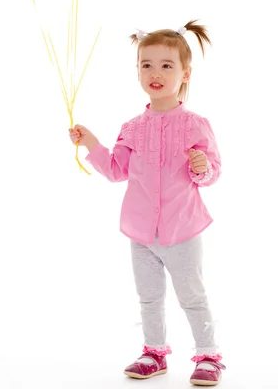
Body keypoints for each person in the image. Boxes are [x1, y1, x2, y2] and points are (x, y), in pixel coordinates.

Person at [69, 20, 225, 386]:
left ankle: (208, 355)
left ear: (185, 74)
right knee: (149, 297)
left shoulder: (196, 124)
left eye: (166, 66)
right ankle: (153, 352)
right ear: (137, 70)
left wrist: (201, 167)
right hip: (140, 232)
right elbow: (115, 170)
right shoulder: (131, 127)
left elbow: (212, 172)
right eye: (147, 64)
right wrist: (91, 142)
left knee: (192, 295)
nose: (155, 73)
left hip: (182, 229)